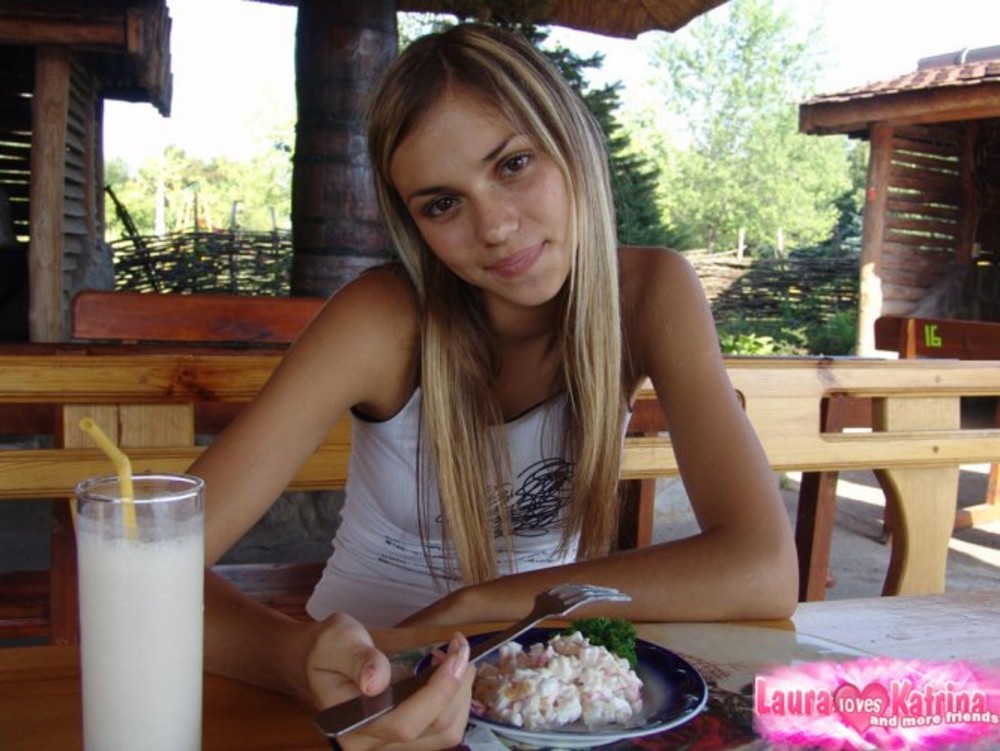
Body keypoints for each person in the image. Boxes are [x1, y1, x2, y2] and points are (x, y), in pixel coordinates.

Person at [192, 22, 798, 749]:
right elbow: (142, 566)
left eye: (513, 164)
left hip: (543, 703)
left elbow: (763, 567)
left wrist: (478, 605)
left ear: (571, 142)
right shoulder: (382, 320)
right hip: (363, 696)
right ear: (413, 225)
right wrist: (297, 660)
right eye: (442, 204)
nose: (497, 227)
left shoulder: (650, 294)